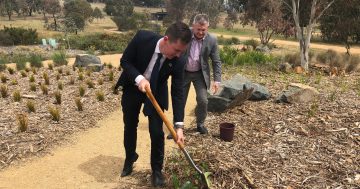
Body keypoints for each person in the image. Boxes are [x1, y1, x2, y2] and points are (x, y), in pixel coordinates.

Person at [114, 22, 192, 187]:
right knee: (130, 125)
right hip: (133, 86)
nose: (178, 55)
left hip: (156, 91)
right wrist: (139, 78)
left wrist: (179, 126)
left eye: (182, 51)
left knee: (157, 132)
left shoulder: (179, 59)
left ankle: (157, 170)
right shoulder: (142, 38)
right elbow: (125, 61)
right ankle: (130, 158)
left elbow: (178, 91)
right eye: (176, 50)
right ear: (166, 40)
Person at [168, 14, 221, 139]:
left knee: (203, 100)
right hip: (183, 72)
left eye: (204, 30)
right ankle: (177, 127)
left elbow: (216, 61)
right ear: (193, 26)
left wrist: (217, 80)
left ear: (207, 28)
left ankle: (200, 123)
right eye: (198, 29)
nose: (201, 32)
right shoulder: (185, 35)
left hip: (200, 74)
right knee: (180, 100)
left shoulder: (212, 40)